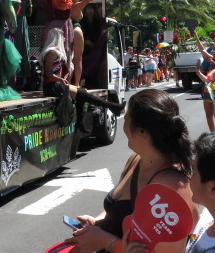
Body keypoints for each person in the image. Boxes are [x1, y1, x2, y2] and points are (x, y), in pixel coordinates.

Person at [64, 88, 197, 253]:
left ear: (142, 133)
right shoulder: (136, 159)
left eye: (126, 118)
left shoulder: (173, 187)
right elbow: (118, 210)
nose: (123, 124)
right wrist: (98, 222)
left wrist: (107, 242)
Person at [67, 0, 101, 86]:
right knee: (77, 60)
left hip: (67, 30)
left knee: (69, 58)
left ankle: (67, 83)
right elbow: (86, 0)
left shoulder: (65, 5)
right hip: (76, 30)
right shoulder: (75, 6)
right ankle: (76, 84)